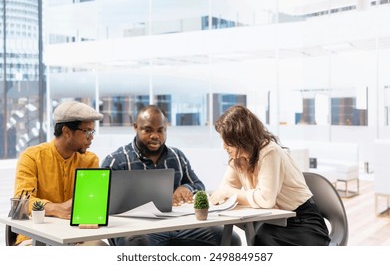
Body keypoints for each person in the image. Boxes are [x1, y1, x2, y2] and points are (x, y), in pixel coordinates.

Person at [101, 105, 242, 246]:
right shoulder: (116, 161)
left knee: (230, 239)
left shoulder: (177, 156)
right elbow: (100, 202)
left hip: (179, 226)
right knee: (135, 243)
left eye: (160, 130)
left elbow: (198, 186)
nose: (155, 136)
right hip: (137, 229)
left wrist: (186, 188)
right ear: (136, 127)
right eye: (148, 130)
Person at [210, 105, 331, 246]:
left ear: (242, 137)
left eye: (228, 141)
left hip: (302, 221)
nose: (224, 146)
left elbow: (265, 199)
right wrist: (254, 199)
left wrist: (232, 194)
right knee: (259, 237)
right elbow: (224, 189)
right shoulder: (239, 159)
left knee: (262, 239)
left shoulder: (269, 151)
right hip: (273, 221)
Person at [13, 101, 106, 246]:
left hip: (75, 237)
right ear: (67, 132)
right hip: (34, 238)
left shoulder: (90, 160)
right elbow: (22, 203)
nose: (91, 137)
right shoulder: (31, 157)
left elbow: (91, 204)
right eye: (87, 131)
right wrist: (57, 209)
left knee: (100, 249)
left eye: (92, 131)